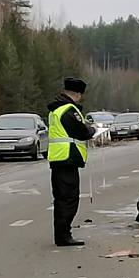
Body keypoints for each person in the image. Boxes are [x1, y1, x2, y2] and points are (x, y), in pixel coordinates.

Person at [46, 77, 97, 246]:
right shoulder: (68, 110)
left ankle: (61, 234)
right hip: (67, 159)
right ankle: (63, 236)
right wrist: (93, 129)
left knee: (61, 198)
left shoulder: (56, 109)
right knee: (68, 199)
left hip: (59, 159)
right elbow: (81, 132)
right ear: (77, 94)